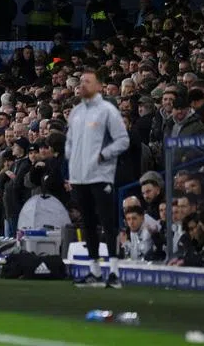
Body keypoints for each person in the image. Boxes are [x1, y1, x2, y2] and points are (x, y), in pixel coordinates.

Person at [67, 70, 129, 288]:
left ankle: (113, 272)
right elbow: (70, 143)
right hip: (79, 178)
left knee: (107, 222)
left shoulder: (107, 111)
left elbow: (123, 140)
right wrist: (72, 165)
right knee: (88, 223)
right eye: (81, 81)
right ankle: (94, 270)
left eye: (88, 81)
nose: (83, 84)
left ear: (99, 86)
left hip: (101, 176)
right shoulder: (75, 112)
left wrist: (103, 155)